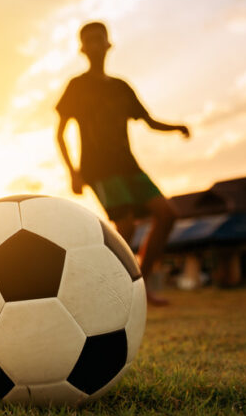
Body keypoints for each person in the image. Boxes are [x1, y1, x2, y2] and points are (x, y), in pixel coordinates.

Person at [56, 21, 190, 306]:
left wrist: (176, 127)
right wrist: (73, 172)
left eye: (98, 39)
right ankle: (97, 289)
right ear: (82, 49)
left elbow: (150, 121)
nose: (94, 45)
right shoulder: (77, 87)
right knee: (126, 227)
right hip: (98, 168)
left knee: (167, 214)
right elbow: (60, 133)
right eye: (88, 41)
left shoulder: (120, 87)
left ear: (108, 44)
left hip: (129, 165)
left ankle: (140, 284)